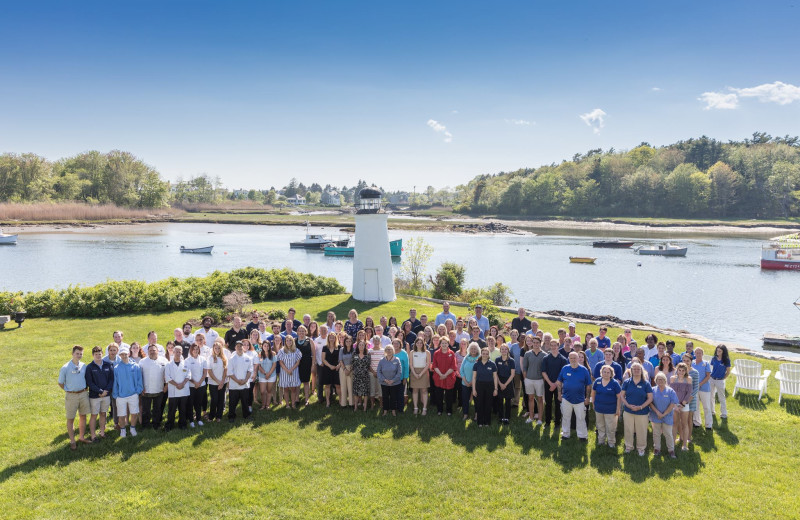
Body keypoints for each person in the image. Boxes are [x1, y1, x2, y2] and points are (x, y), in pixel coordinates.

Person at [58, 345, 91, 450]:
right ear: (72, 354)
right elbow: (60, 383)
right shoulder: (65, 367)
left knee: (83, 416)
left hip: (83, 394)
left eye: (81, 354)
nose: (79, 355)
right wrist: (68, 390)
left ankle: (81, 437)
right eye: (77, 353)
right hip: (71, 395)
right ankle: (72, 441)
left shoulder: (84, 366)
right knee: (70, 418)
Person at [557, 351, 592, 441]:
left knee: (581, 418)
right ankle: (565, 434)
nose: (573, 360)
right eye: (571, 358)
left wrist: (587, 397)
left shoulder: (584, 370)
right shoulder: (565, 368)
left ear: (578, 359)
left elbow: (588, 385)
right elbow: (559, 381)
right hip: (566, 398)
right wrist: (559, 393)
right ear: (569, 359)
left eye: (575, 358)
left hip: (580, 399)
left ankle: (582, 436)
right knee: (565, 417)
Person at [621, 362, 654, 456]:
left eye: (638, 369)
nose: (636, 371)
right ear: (631, 371)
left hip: (642, 412)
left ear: (641, 371)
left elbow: (650, 398)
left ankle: (641, 448)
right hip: (628, 411)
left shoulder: (646, 383)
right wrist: (627, 405)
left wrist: (640, 407)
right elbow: (622, 396)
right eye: (634, 369)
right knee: (628, 429)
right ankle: (628, 447)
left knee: (642, 430)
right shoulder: (627, 382)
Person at [85, 346, 114, 442]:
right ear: (93, 355)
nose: (98, 356)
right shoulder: (89, 367)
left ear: (102, 354)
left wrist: (106, 391)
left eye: (99, 354)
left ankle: (102, 432)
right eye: (96, 354)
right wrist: (100, 391)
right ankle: (93, 435)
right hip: (95, 396)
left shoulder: (107, 365)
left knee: (103, 413)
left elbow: (111, 380)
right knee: (94, 415)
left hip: (106, 395)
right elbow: (90, 382)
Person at [113, 346, 143, 438]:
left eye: (125, 354)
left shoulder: (136, 366)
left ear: (128, 354)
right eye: (122, 354)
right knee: (121, 415)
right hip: (121, 396)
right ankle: (123, 430)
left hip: (133, 394)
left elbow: (139, 380)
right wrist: (116, 395)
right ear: (120, 355)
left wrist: (138, 391)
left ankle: (132, 428)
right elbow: (115, 382)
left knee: (134, 413)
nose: (124, 356)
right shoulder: (117, 368)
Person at [591, 364, 622, 448]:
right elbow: (593, 393)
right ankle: (601, 441)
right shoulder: (597, 381)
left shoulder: (614, 383)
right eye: (604, 372)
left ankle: (611, 443)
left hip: (611, 410)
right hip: (599, 408)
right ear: (601, 372)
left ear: (611, 374)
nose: (606, 374)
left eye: (608, 372)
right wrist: (593, 403)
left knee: (611, 428)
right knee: (600, 426)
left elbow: (619, 397)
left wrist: (618, 409)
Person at [649, 372, 679, 458]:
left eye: (662, 379)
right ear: (655, 381)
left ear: (665, 380)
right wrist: (658, 413)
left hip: (667, 416)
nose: (660, 381)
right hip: (655, 415)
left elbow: (672, 404)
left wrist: (663, 414)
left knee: (668, 433)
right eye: (658, 379)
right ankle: (657, 449)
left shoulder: (670, 391)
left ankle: (671, 450)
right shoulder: (652, 390)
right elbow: (650, 403)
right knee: (656, 433)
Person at [139, 343, 167, 429]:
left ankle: (156, 424)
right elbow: (139, 376)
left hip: (159, 389)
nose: (152, 352)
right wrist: (141, 387)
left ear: (157, 351)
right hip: (146, 390)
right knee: (146, 410)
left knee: (157, 409)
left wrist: (166, 386)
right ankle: (145, 425)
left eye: (154, 350)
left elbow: (168, 374)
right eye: (150, 350)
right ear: (147, 352)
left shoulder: (164, 361)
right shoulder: (142, 362)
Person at [164, 344, 191, 430]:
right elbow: (167, 377)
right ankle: (169, 425)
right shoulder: (168, 365)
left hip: (184, 390)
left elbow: (189, 375)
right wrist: (177, 385)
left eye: (180, 351)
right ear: (173, 352)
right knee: (172, 410)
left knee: (183, 409)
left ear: (182, 352)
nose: (178, 353)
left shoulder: (186, 363)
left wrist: (182, 384)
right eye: (176, 351)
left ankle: (182, 425)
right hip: (173, 391)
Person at [541, 339, 568, 426]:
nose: (553, 347)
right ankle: (547, 422)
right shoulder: (546, 358)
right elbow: (543, 372)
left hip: (559, 385)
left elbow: (563, 373)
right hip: (548, 384)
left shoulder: (563, 359)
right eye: (551, 345)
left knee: (558, 403)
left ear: (558, 346)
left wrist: (555, 384)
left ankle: (557, 423)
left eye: (555, 345)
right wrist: (550, 383)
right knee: (548, 403)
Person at [522, 335, 547, 425]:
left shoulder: (544, 355)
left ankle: (540, 419)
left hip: (539, 380)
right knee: (530, 398)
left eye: (537, 343)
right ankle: (531, 417)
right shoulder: (527, 354)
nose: (536, 344)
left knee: (540, 399)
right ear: (532, 343)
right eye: (534, 342)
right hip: (529, 379)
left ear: (540, 343)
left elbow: (545, 370)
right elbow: (524, 368)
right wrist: (525, 379)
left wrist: (543, 380)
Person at [670, 362, 694, 451]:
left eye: (683, 370)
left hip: (685, 404)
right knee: (675, 423)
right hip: (675, 405)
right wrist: (676, 404)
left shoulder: (688, 379)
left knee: (684, 424)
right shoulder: (672, 378)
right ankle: (672, 443)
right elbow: (671, 392)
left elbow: (689, 392)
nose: (681, 372)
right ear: (677, 370)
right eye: (679, 370)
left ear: (685, 371)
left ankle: (684, 445)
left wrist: (683, 404)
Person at [472, 347, 498, 427]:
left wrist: (495, 389)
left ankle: (487, 422)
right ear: (481, 354)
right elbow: (474, 377)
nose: (485, 355)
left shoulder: (492, 364)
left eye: (487, 354)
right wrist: (474, 389)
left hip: (489, 386)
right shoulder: (477, 364)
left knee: (488, 404)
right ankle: (480, 422)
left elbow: (495, 377)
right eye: (483, 354)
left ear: (488, 355)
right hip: (479, 385)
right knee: (479, 404)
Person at [431, 337, 457, 416]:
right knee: (439, 395)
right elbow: (434, 365)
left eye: (446, 343)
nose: (444, 344)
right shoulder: (436, 353)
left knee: (449, 395)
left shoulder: (451, 353)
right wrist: (441, 375)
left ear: (448, 344)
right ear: (440, 344)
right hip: (439, 377)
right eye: (442, 343)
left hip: (449, 377)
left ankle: (449, 410)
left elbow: (453, 366)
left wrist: (445, 375)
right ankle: (440, 410)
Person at [377, 345, 403, 416]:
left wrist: (393, 380)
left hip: (394, 383)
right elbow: (378, 372)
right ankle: (385, 410)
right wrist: (384, 380)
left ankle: (393, 410)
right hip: (384, 383)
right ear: (385, 351)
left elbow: (399, 372)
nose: (389, 351)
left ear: (393, 351)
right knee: (385, 396)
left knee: (393, 397)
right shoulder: (381, 360)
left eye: (390, 349)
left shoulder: (397, 360)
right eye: (387, 349)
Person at [205, 339, 228, 421]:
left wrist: (222, 382)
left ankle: (219, 416)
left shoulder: (224, 358)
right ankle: (211, 416)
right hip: (213, 383)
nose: (217, 350)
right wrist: (218, 382)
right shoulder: (210, 358)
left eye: (219, 348)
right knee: (214, 399)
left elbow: (225, 370)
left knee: (221, 400)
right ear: (213, 349)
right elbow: (209, 371)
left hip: (223, 382)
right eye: (216, 348)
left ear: (221, 349)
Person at [277, 336, 301, 409]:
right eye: (287, 340)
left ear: (292, 341)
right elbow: (280, 362)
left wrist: (291, 370)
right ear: (285, 342)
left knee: (293, 389)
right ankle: (287, 404)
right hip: (284, 372)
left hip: (294, 372)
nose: (288, 342)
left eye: (290, 340)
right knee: (286, 389)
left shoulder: (297, 351)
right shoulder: (281, 351)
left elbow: (298, 362)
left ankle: (293, 404)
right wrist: (287, 370)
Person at [185, 344, 206, 427]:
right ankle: (191, 420)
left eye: (197, 349)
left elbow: (205, 373)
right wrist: (195, 383)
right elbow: (187, 374)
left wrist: (199, 383)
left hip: (201, 385)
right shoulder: (187, 360)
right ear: (191, 350)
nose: (195, 350)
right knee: (190, 403)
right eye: (194, 349)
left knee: (198, 403)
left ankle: (199, 419)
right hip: (191, 385)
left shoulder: (203, 359)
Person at [692, 347, 713, 430]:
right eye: (696, 353)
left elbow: (708, 376)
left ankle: (708, 424)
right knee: (695, 406)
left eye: (700, 353)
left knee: (707, 406)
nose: (698, 354)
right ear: (694, 354)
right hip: (694, 388)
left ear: (702, 354)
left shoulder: (706, 363)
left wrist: (700, 384)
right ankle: (697, 422)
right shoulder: (692, 363)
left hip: (704, 388)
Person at [495, 344, 516, 424]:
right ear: (500, 351)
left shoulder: (511, 360)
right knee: (499, 400)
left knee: (508, 401)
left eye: (505, 349)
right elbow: (495, 373)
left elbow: (512, 374)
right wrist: (500, 384)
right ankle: (500, 417)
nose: (504, 351)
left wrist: (505, 384)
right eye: (502, 349)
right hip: (499, 381)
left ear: (508, 351)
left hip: (508, 382)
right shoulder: (497, 360)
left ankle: (507, 417)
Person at [409, 337, 431, 415]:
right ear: (415, 343)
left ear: (423, 344)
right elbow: (411, 364)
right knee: (415, 390)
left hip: (424, 372)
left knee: (424, 390)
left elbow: (428, 364)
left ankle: (424, 408)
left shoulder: (427, 352)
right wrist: (414, 373)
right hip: (414, 372)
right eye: (417, 343)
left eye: (421, 343)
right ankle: (415, 407)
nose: (419, 344)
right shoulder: (412, 352)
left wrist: (421, 373)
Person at [710, 344, 732, 420]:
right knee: (711, 396)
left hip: (720, 381)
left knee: (721, 397)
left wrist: (723, 378)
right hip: (712, 379)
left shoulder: (726, 360)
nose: (718, 352)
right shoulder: (714, 359)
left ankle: (724, 414)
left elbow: (728, 371)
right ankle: (712, 411)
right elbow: (712, 368)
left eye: (720, 351)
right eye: (717, 350)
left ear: (723, 352)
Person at [459, 343, 479, 420]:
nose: (473, 350)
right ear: (469, 350)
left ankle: (477, 414)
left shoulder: (479, 359)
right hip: (465, 383)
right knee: (465, 399)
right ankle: (465, 414)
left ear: (477, 350)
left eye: (475, 349)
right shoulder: (466, 358)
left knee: (477, 400)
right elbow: (461, 370)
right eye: (472, 348)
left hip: (476, 384)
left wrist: (472, 382)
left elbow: (480, 372)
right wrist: (466, 381)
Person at [320, 334, 341, 407]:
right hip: (327, 368)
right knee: (327, 386)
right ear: (328, 338)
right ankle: (328, 402)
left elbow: (341, 359)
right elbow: (323, 359)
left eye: (333, 337)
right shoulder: (325, 347)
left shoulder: (339, 347)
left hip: (337, 368)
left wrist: (338, 366)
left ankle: (341, 401)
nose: (331, 339)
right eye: (330, 337)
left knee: (338, 385)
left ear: (335, 339)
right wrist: (330, 366)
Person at [352, 340, 371, 411]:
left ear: (365, 346)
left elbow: (369, 364)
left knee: (365, 392)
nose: (361, 346)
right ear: (357, 346)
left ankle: (365, 408)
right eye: (360, 345)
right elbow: (352, 363)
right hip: (357, 375)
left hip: (365, 375)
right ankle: (355, 407)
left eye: (363, 345)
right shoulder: (354, 354)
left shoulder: (368, 354)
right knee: (356, 392)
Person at [257, 342, 277, 410]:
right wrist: (265, 373)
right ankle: (263, 405)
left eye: (267, 346)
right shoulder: (260, 355)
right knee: (262, 391)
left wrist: (269, 374)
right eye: (265, 346)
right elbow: (259, 365)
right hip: (262, 375)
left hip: (271, 375)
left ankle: (267, 405)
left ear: (269, 347)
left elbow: (274, 365)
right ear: (262, 347)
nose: (266, 347)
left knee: (269, 390)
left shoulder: (273, 354)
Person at [368, 335, 386, 409]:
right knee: (372, 389)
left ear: (380, 342)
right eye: (375, 341)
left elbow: (384, 363)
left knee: (380, 389)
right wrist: (373, 372)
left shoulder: (383, 351)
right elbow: (368, 363)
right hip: (371, 373)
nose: (376, 342)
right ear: (373, 342)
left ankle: (381, 404)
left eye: (378, 341)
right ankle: (372, 404)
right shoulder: (369, 351)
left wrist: (378, 372)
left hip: (380, 373)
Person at [392, 338, 409, 410]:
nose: (396, 345)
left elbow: (406, 366)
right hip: (391, 377)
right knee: (393, 393)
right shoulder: (390, 352)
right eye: (394, 343)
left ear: (400, 345)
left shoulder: (404, 353)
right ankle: (393, 407)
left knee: (400, 394)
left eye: (397, 343)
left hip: (401, 378)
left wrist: (405, 378)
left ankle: (400, 408)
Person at [338, 335, 355, 408]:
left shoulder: (354, 350)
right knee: (343, 386)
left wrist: (350, 369)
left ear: (351, 342)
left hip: (351, 369)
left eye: (349, 341)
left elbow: (355, 360)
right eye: (347, 341)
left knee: (351, 386)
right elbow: (340, 360)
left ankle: (351, 403)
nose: (348, 342)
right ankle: (343, 403)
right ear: (344, 342)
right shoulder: (342, 349)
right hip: (343, 369)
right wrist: (345, 369)